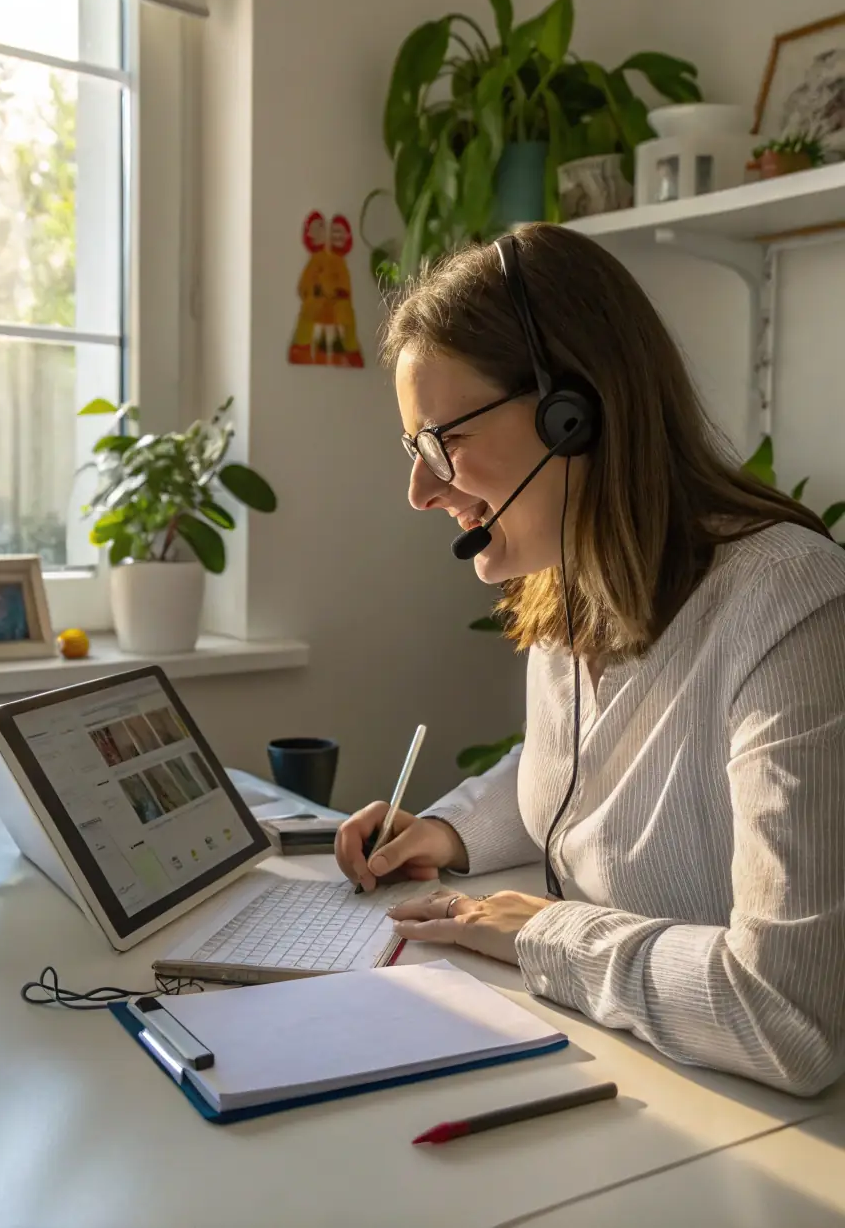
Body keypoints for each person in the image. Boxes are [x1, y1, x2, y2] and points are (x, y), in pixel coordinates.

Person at [335, 224, 845, 1097]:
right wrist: (450, 830)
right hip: (619, 1073)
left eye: (438, 444)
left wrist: (545, 934)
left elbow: (785, 1011)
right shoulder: (571, 582)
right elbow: (573, 766)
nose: (419, 491)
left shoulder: (789, 604)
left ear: (571, 415)